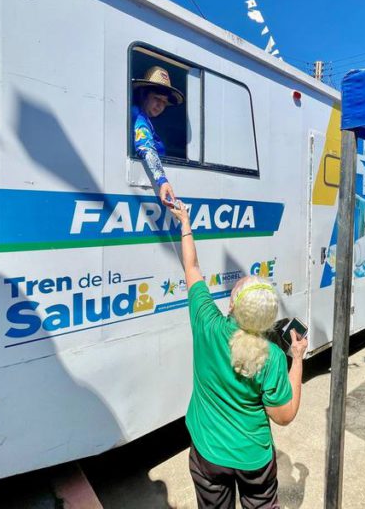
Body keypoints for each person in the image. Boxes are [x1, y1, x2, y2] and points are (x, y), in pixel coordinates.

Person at [168, 200, 307, 508]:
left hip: (207, 454)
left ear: (232, 305)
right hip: (253, 459)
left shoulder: (207, 324)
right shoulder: (272, 356)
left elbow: (191, 268)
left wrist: (185, 223)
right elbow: (284, 416)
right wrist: (296, 358)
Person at [132, 65, 184, 206]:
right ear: (144, 95)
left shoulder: (145, 119)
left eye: (164, 102)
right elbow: (146, 147)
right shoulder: (138, 117)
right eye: (156, 98)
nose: (160, 105)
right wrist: (162, 181)